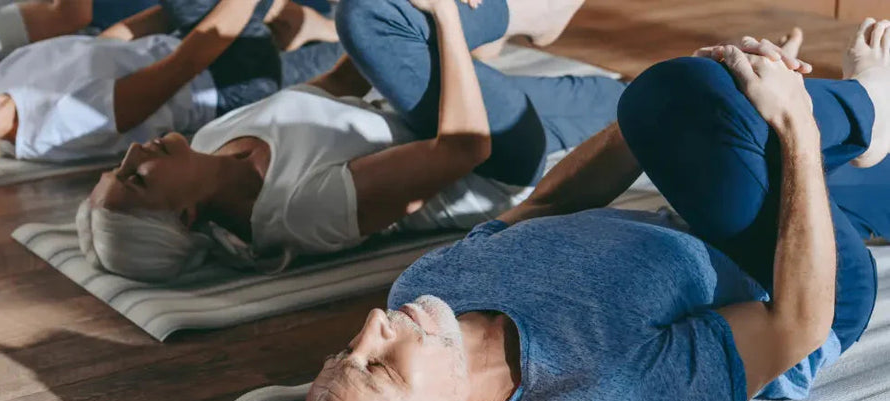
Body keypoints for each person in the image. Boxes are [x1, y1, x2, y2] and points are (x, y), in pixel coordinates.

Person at [290, 18, 890, 401]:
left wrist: (642, 129)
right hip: (812, 287)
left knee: (678, 103)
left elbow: (547, 206)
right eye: (380, 369)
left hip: (705, 215)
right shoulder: (603, 399)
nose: (373, 323)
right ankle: (868, 104)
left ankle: (829, 135)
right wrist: (795, 128)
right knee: (680, 97)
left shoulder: (426, 290)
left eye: (347, 350)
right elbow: (798, 323)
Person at [75, 0, 623, 282]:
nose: (132, 154)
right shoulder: (300, 212)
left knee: (632, 103)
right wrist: (444, 24)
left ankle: (522, 18)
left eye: (116, 167)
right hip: (492, 152)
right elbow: (465, 149)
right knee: (366, 15)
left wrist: (401, 47)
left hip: (428, 106)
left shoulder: (215, 141)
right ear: (189, 216)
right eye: (137, 179)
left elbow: (337, 84)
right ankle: (528, 16)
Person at [0, 0, 344, 178]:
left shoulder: (3, 80)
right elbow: (183, 67)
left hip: (187, 45)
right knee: (338, 60)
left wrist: (175, 10)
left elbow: (101, 44)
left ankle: (295, 24)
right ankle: (301, 28)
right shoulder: (60, 125)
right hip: (226, 80)